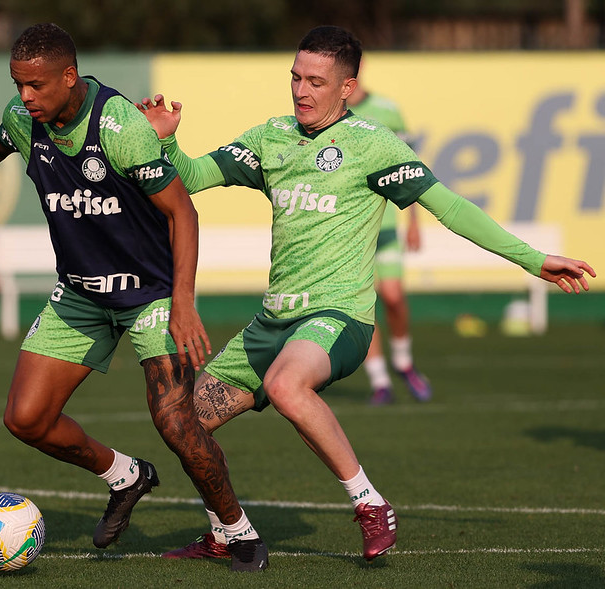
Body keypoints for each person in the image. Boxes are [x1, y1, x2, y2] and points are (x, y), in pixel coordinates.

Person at [137, 25, 595, 562]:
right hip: (272, 324)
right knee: (183, 424)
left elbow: (450, 206)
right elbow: (188, 178)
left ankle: (369, 503)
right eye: (295, 78)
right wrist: (163, 140)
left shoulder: (373, 146)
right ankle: (228, 532)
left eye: (316, 81)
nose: (301, 91)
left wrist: (533, 259)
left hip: (338, 318)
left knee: (287, 385)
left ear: (347, 87)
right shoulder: (271, 138)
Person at [0, 23, 267, 573]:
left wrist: (183, 300)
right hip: (79, 293)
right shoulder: (23, 118)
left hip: (149, 293)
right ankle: (126, 476)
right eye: (17, 84)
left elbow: (182, 212)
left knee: (175, 420)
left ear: (69, 77)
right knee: (26, 419)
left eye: (34, 85)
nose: (24, 97)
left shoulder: (120, 126)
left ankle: (236, 530)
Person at [347, 82, 432, 405]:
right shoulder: (331, 113)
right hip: (351, 232)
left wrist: (412, 221)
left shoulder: (387, 110)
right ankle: (380, 380)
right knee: (363, 304)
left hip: (385, 228)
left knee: (394, 297)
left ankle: (403, 361)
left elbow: (407, 167)